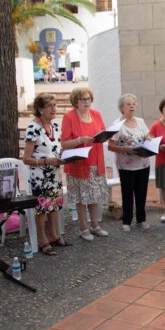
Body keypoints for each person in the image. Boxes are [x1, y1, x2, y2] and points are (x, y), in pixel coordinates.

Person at [22, 94, 69, 255]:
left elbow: (57, 148)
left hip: (54, 174)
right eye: (50, 106)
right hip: (39, 177)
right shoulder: (33, 128)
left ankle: (54, 234)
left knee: (54, 205)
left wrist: (65, 156)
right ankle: (42, 238)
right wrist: (47, 161)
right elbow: (26, 159)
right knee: (42, 208)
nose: (54, 109)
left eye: (55, 105)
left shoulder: (55, 126)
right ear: (40, 110)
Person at [61, 87, 110, 241]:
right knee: (81, 199)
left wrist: (105, 136)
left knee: (94, 196)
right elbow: (64, 143)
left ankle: (95, 225)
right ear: (76, 101)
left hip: (96, 162)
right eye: (83, 99)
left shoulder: (96, 114)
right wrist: (80, 140)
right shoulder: (69, 117)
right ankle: (83, 228)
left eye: (88, 99)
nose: (87, 102)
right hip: (79, 164)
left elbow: (103, 132)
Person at [108, 94, 151, 232]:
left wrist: (150, 140)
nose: (132, 106)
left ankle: (141, 219)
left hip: (143, 163)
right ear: (122, 108)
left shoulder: (141, 121)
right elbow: (110, 146)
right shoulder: (117, 125)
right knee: (127, 193)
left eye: (133, 103)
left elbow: (147, 136)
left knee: (142, 192)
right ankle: (126, 221)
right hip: (126, 165)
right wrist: (125, 149)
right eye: (128, 104)